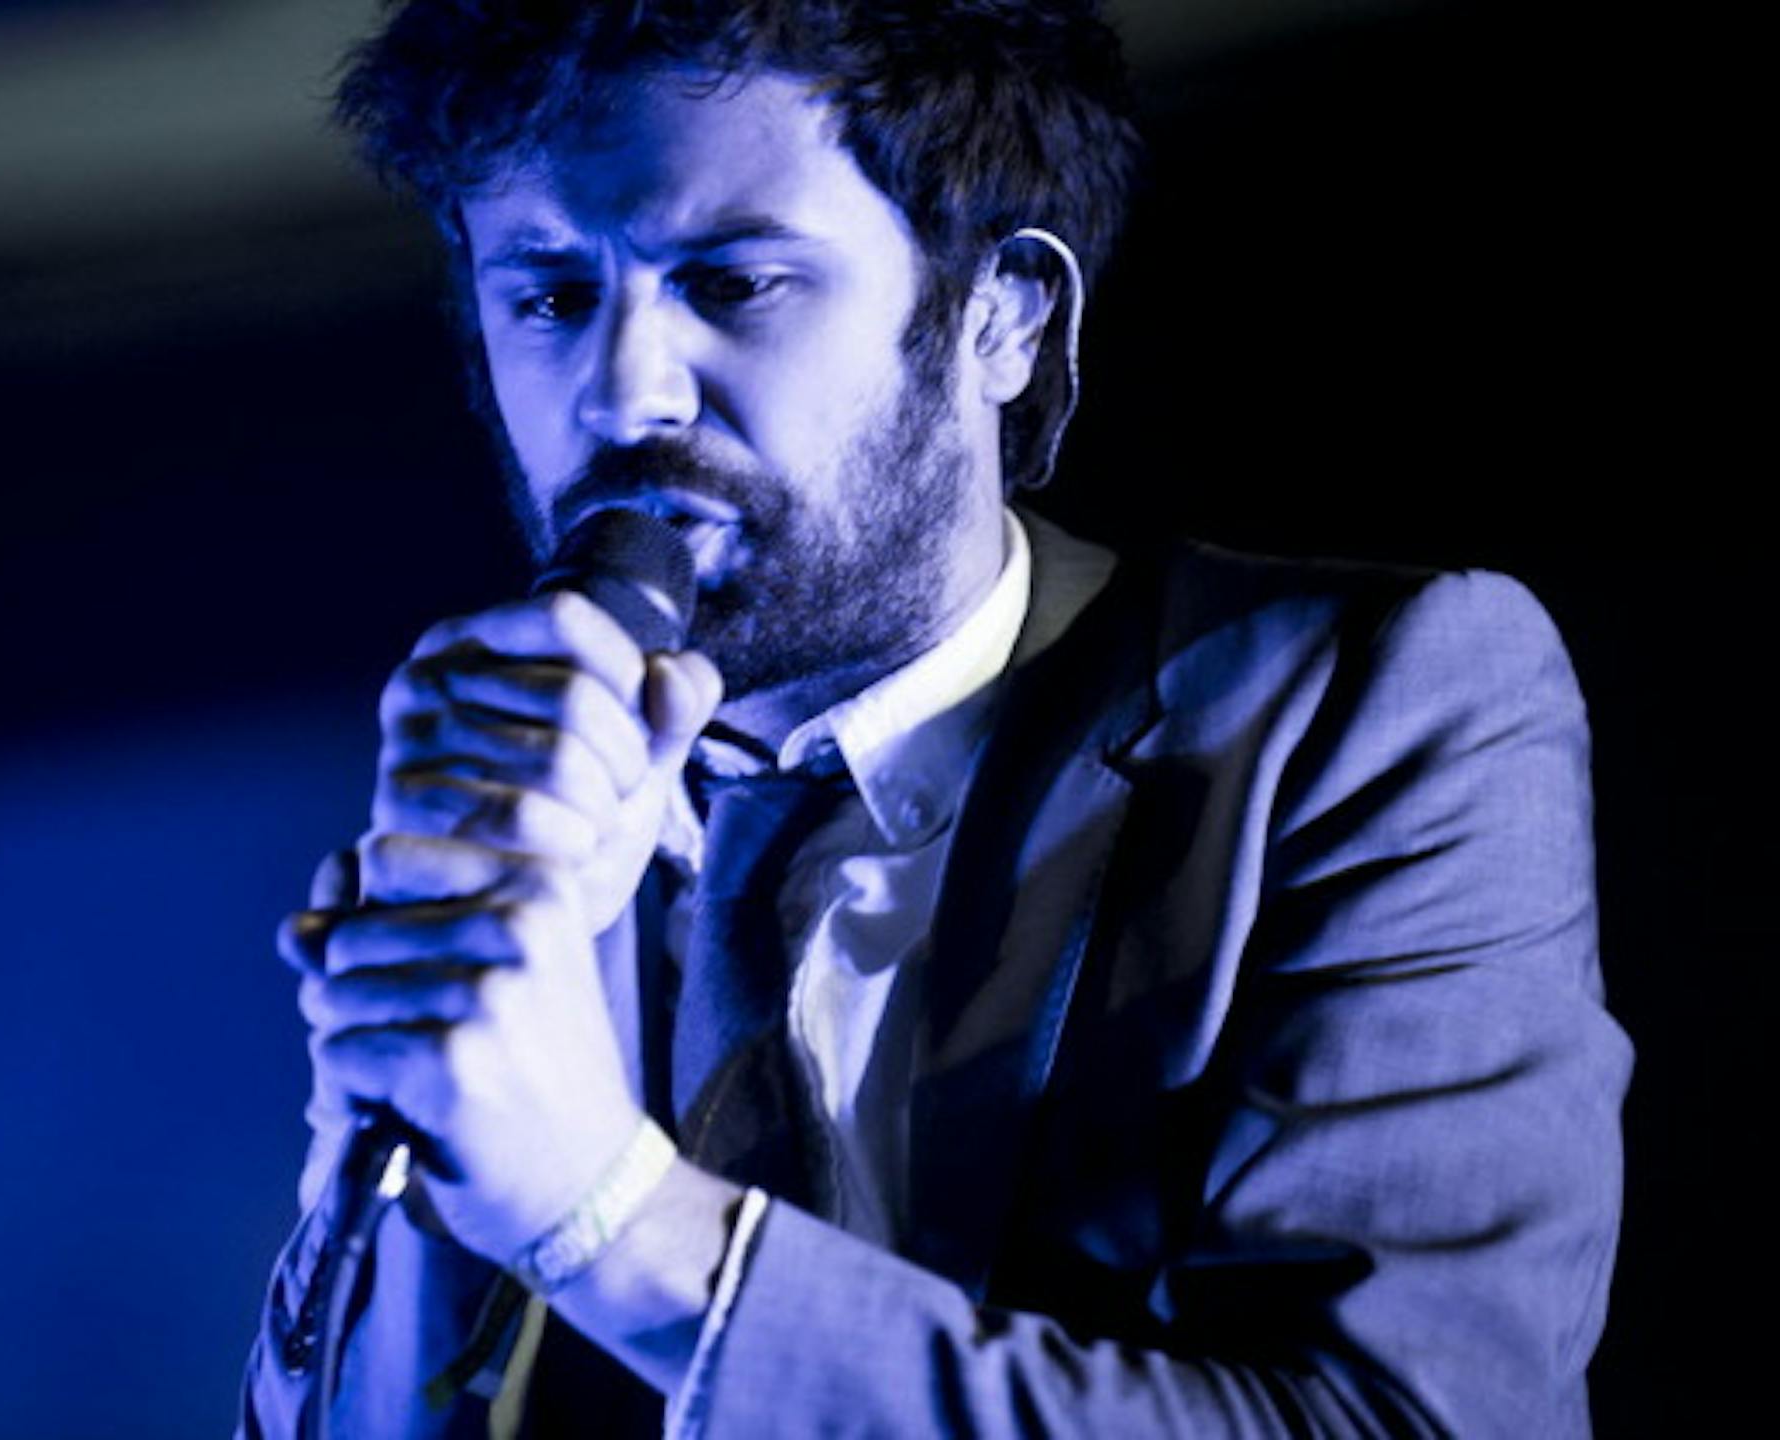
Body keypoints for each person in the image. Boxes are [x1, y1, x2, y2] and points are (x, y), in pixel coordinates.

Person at [238, 2, 1630, 1435]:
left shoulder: (1362, 708)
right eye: (547, 299)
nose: (622, 396)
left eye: (734, 284)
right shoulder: (515, 816)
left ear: (1003, 316)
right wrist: (412, 1164)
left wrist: (611, 1220)